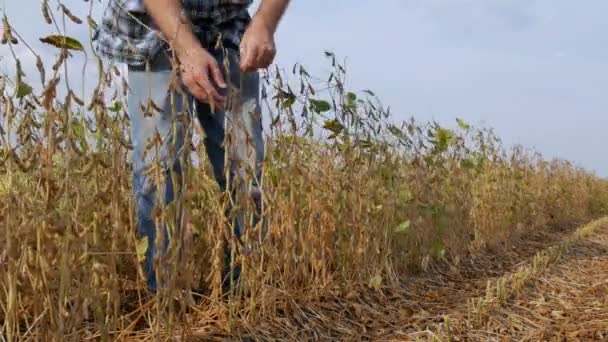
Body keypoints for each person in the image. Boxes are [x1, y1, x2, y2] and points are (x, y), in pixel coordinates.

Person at [93, 0, 289, 294]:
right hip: (154, 24)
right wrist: (187, 49)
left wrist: (264, 22)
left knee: (245, 164)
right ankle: (166, 299)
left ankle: (244, 297)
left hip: (227, 23)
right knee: (158, 167)